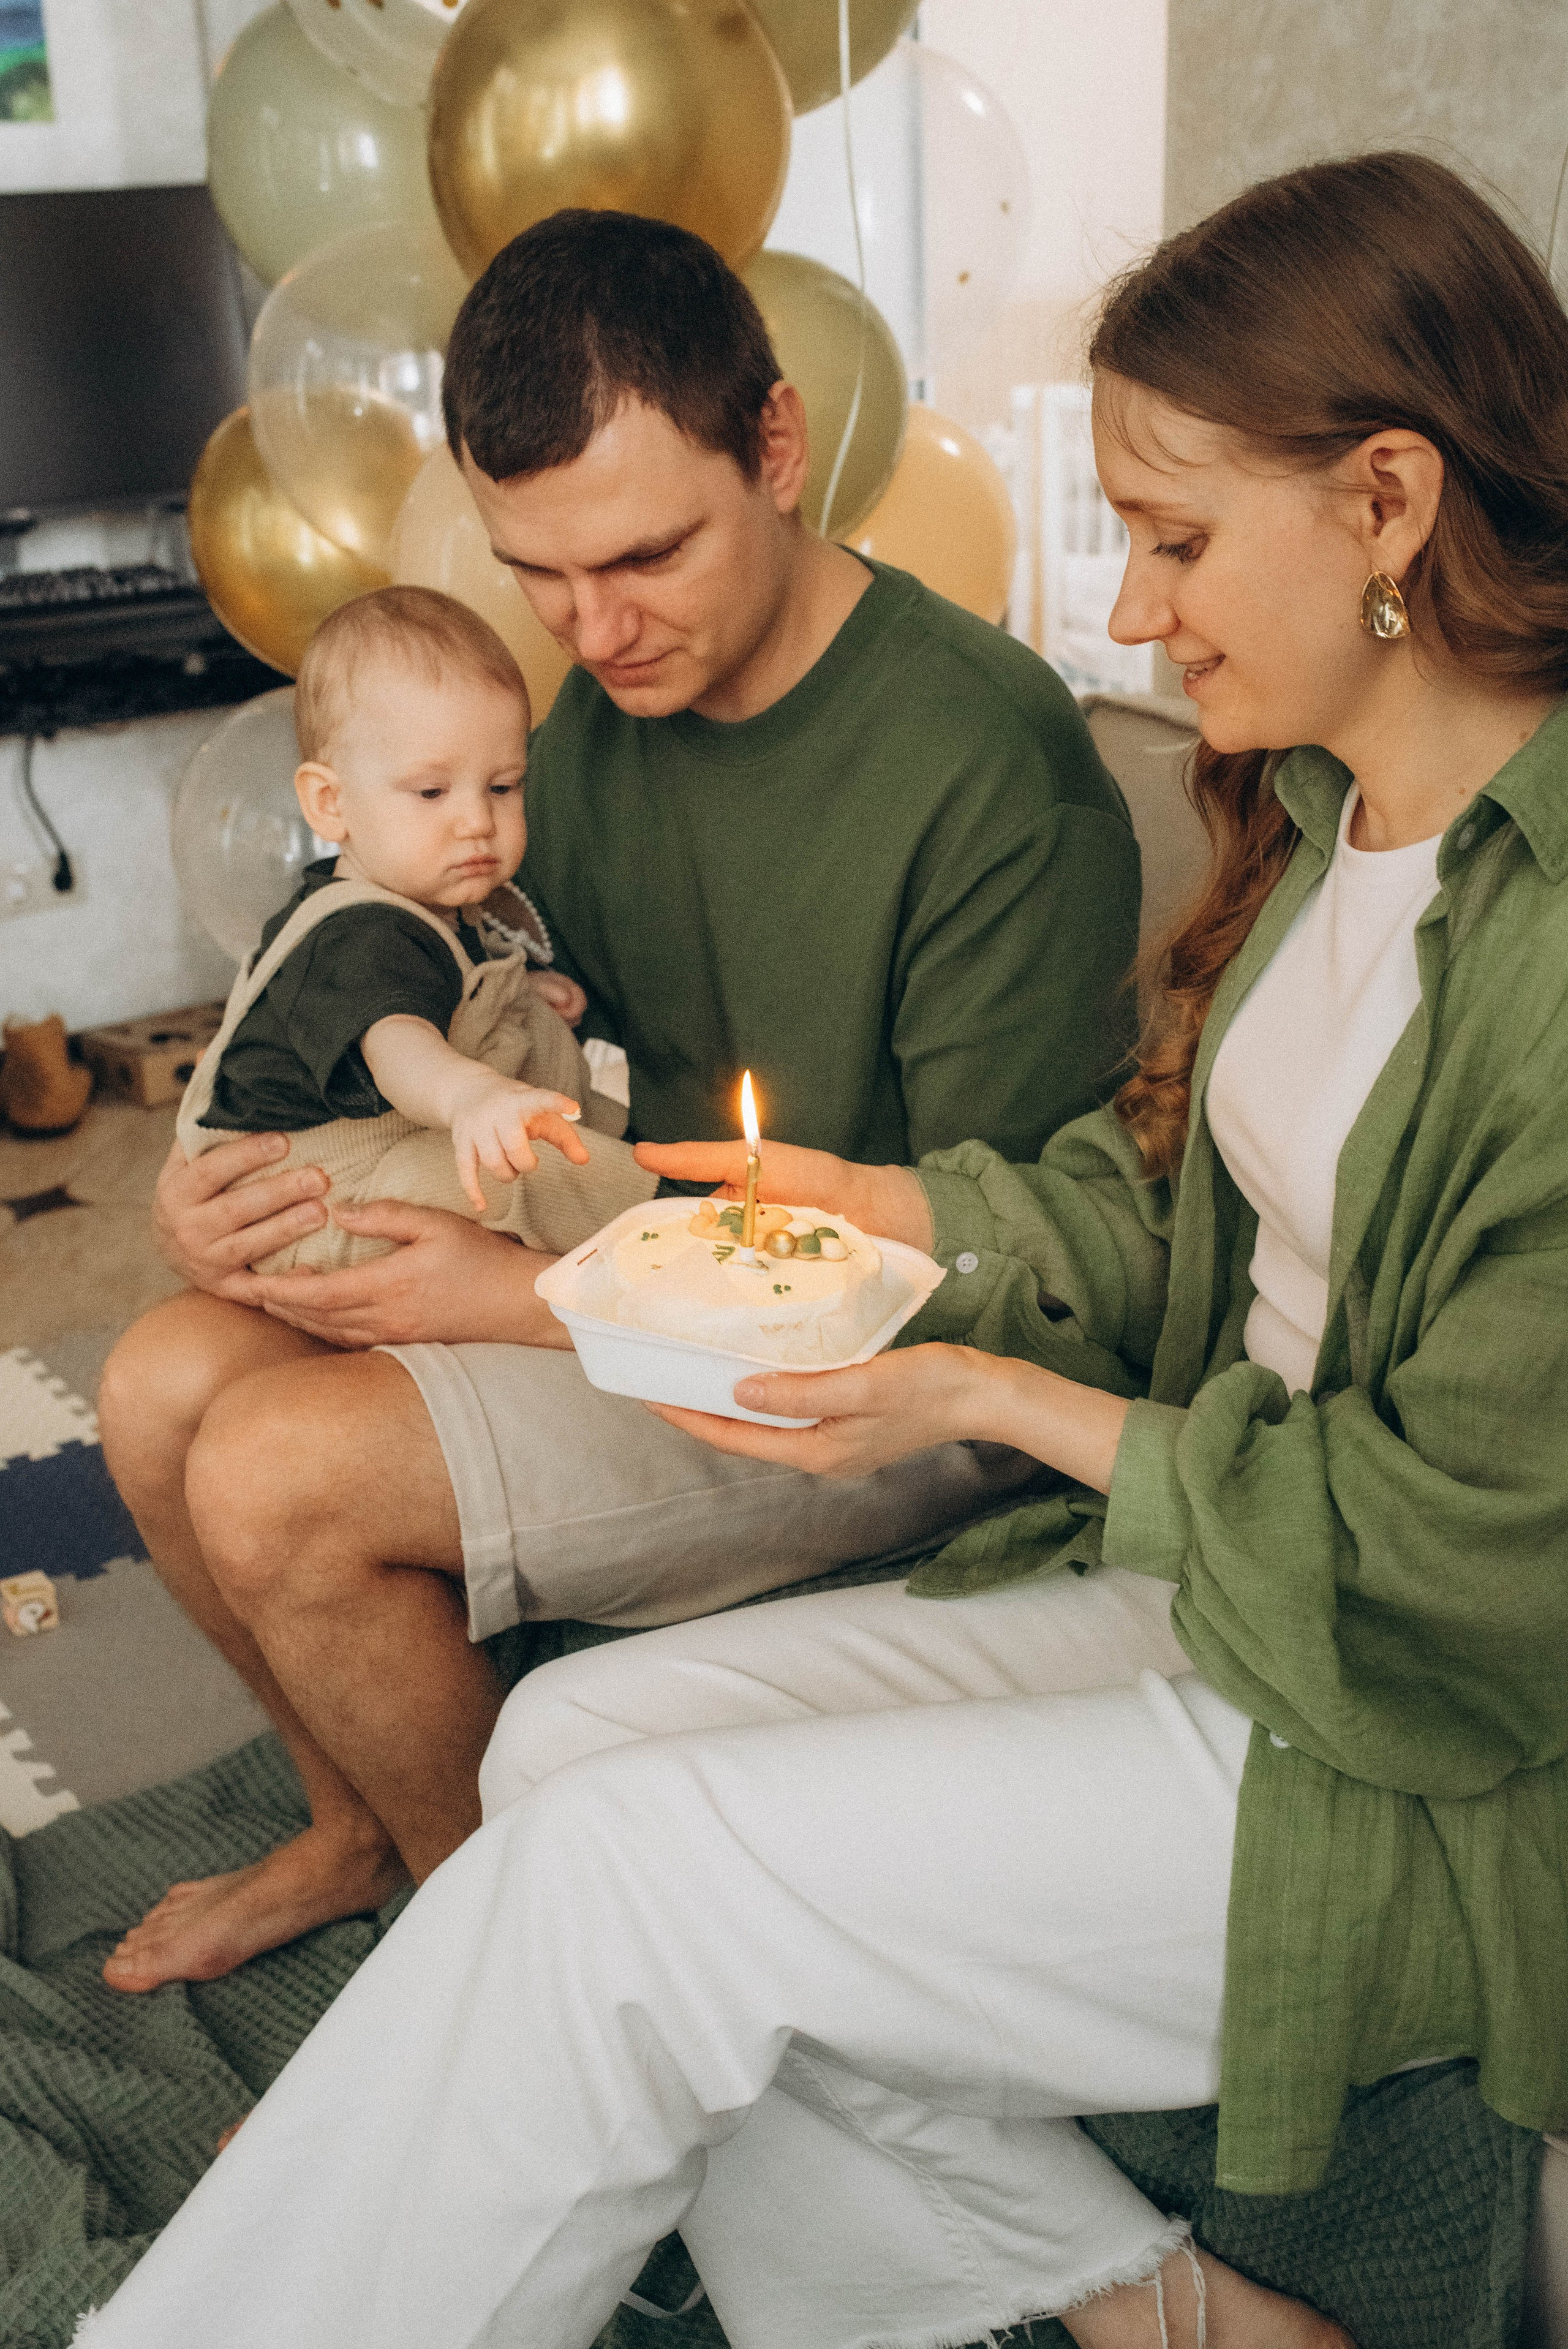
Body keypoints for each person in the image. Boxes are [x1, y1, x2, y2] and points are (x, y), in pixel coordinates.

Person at [77, 148, 1568, 2349]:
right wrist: (848, 1202)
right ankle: (1132, 2298)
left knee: (614, 1879)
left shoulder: (1520, 944)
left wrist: (976, 1384)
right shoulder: (1343, 820)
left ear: (1382, 502)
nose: (1134, 615)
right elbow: (1143, 1210)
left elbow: (1454, 1575)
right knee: (563, 1762)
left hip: (1400, 1738)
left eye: (1165, 539)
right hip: (1196, 1577)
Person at [96, 209, 1139, 1992]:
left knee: (271, 1472)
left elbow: (1021, 1278)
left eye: (644, 556)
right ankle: (366, 1830)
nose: (593, 625)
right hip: (631, 1286)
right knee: (152, 1382)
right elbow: (416, 1001)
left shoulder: (988, 768)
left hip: (867, 1382)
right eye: (541, 575)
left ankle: (496, 1999)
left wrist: (510, 1296)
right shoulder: (577, 732)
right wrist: (228, 1186)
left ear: (779, 450)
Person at [176, 584, 657, 1270]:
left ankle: (608, 1149)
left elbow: (436, 993)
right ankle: (661, 1222)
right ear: (330, 803)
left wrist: (513, 997)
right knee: (516, 1170)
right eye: (431, 792)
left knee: (525, 1029)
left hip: (374, 1158)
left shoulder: (417, 901)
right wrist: (472, 1094)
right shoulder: (359, 934)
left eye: (502, 786)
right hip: (312, 1203)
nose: (476, 821)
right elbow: (398, 1045)